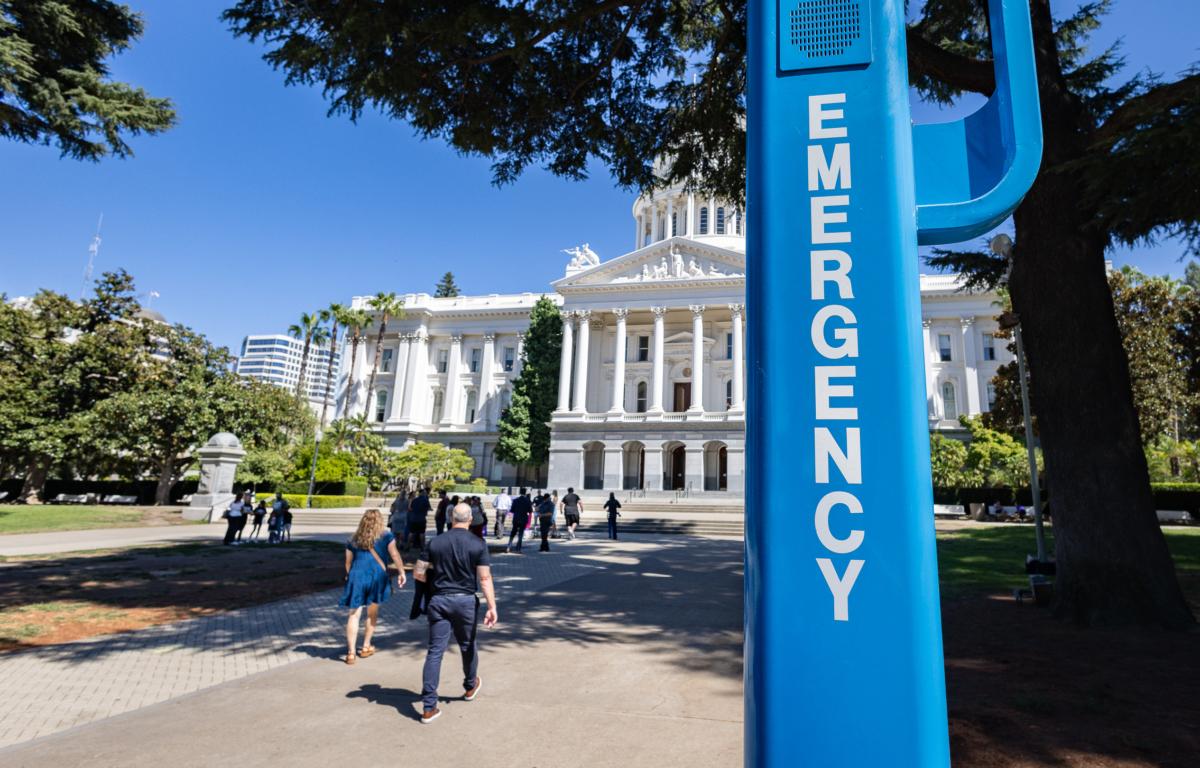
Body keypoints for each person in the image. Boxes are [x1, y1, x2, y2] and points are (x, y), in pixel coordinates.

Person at [414, 503, 498, 724]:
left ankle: (429, 707)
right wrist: (492, 606)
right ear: (470, 519)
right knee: (467, 645)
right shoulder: (478, 544)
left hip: (439, 600)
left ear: (452, 518)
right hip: (465, 601)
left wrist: (431, 584)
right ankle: (470, 685)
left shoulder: (436, 542)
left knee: (435, 652)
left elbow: (419, 572)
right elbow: (484, 578)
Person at [339, 509, 405, 665]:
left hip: (357, 576)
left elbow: (348, 562)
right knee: (372, 612)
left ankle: (350, 653)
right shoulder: (386, 536)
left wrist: (352, 575)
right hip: (376, 576)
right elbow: (394, 554)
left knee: (353, 614)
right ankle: (366, 645)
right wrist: (401, 572)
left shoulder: (353, 539)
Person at [507, 488, 532, 553]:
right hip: (523, 518)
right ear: (525, 493)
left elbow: (512, 510)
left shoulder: (515, 500)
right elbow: (530, 511)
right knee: (521, 533)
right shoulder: (527, 501)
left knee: (513, 532)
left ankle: (509, 546)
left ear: (520, 492)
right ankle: (518, 549)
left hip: (516, 518)